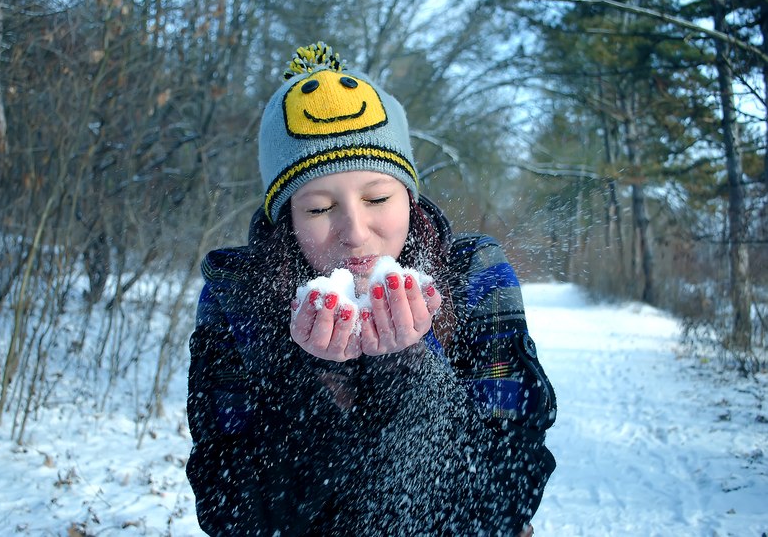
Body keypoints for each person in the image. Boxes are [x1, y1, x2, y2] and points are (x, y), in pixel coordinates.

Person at [186, 41, 556, 536]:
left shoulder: (474, 278)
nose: (355, 232)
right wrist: (313, 385)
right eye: (319, 208)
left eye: (377, 197)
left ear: (409, 195)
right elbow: (231, 512)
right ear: (287, 220)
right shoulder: (237, 297)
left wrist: (407, 372)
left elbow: (501, 502)